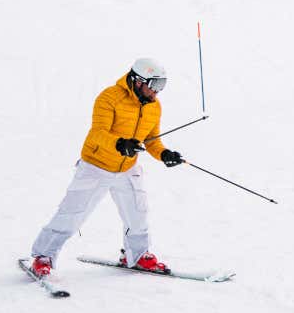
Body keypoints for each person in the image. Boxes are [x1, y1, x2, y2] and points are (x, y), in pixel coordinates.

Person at [29, 58, 184, 277]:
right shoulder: (110, 97)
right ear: (138, 81)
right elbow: (97, 133)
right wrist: (121, 143)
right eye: (154, 85)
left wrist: (164, 154)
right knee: (72, 213)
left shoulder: (154, 107)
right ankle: (42, 256)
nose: (157, 92)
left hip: (127, 168)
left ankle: (138, 255)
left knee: (137, 214)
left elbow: (151, 140)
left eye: (161, 85)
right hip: (96, 165)